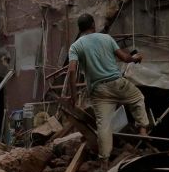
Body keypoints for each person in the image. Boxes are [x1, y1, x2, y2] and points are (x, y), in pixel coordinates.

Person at [63, 13, 150, 157]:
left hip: (98, 91)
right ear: (93, 25)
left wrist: (73, 96)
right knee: (137, 98)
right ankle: (143, 130)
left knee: (104, 125)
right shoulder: (106, 38)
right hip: (116, 83)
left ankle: (104, 162)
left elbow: (72, 70)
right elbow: (125, 58)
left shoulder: (75, 46)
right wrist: (135, 58)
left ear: (80, 28)